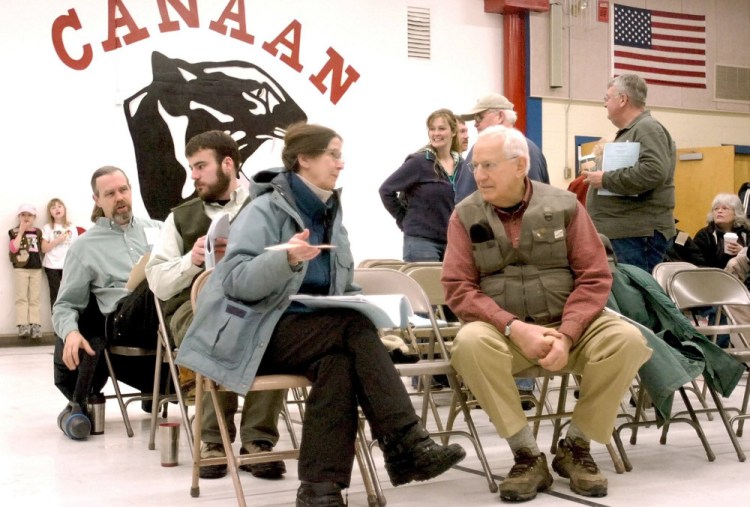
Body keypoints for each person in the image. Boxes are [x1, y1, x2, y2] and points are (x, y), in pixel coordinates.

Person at [177, 123, 466, 507]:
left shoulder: (330, 212)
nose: (340, 164)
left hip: (311, 333)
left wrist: (372, 311)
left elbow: (342, 289)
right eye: (333, 154)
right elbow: (233, 281)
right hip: (252, 335)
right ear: (304, 159)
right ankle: (405, 444)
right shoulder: (262, 209)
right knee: (350, 331)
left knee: (340, 362)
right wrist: (284, 259)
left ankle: (319, 490)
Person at [441, 125, 652, 502]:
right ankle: (526, 453)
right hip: (504, 333)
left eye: (489, 165)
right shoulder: (464, 214)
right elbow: (458, 288)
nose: (480, 175)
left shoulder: (566, 206)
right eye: (476, 167)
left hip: (570, 329)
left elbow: (594, 276)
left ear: (521, 165)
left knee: (628, 340)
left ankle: (576, 446)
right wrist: (513, 327)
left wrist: (569, 333)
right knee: (468, 343)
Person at [146, 130, 286, 480]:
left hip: (255, 299)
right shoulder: (179, 217)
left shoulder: (267, 205)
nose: (193, 175)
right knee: (219, 320)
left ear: (228, 164)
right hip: (191, 306)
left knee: (276, 323)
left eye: (200, 166)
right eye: (191, 167)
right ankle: (213, 438)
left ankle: (258, 441)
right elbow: (157, 281)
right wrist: (192, 261)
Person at [52, 166, 164, 440]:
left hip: (165, 314)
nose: (119, 197)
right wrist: (70, 332)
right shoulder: (84, 247)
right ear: (97, 200)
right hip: (124, 320)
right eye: (110, 193)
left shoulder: (159, 230)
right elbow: (65, 304)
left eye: (123, 190)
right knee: (152, 282)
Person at [584, 74, 677, 273]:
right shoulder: (634, 130)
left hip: (637, 235)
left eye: (607, 98)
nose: (604, 104)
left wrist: (606, 179)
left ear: (623, 99)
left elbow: (653, 171)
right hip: (628, 234)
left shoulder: (647, 128)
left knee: (638, 297)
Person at [379, 108, 462, 262]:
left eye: (441, 128)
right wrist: (404, 220)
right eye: (432, 129)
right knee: (426, 285)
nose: (436, 133)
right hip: (421, 242)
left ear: (453, 132)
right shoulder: (419, 162)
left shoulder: (462, 165)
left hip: (453, 243)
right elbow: (386, 190)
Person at [454, 93, 549, 202]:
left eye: (479, 117)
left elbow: (464, 199)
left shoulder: (483, 148)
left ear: (500, 116)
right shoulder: (534, 149)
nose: (475, 124)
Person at [9, 203, 44, 339]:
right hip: (21, 268)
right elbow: (14, 248)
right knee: (21, 297)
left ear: (34, 217)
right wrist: (22, 230)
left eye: (29, 215)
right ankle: (22, 325)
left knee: (34, 298)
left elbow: (43, 248)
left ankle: (35, 325)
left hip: (36, 267)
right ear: (19, 216)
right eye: (23, 215)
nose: (26, 217)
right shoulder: (14, 232)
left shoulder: (38, 232)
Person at [689, 193, 749, 269]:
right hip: (714, 277)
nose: (719, 211)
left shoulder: (746, 234)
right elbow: (698, 263)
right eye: (716, 209)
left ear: (736, 213)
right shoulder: (705, 235)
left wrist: (743, 252)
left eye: (724, 208)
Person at [41, 198, 80, 314]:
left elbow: (76, 248)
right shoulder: (47, 228)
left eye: (59, 206)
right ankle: (57, 328)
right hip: (51, 266)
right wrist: (57, 240)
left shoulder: (72, 227)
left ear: (64, 209)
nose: (57, 209)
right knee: (55, 296)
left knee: (69, 295)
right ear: (50, 213)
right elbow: (44, 248)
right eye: (53, 207)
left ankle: (70, 326)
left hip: (68, 266)